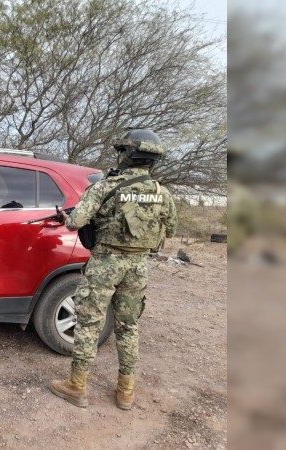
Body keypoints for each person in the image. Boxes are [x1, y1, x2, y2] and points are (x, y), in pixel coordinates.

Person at [50, 128, 177, 410]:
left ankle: (77, 386)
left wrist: (67, 216)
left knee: (89, 324)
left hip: (105, 264)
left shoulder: (106, 187)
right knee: (129, 326)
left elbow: (75, 222)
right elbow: (171, 228)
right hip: (137, 267)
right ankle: (126, 392)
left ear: (126, 155)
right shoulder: (162, 193)